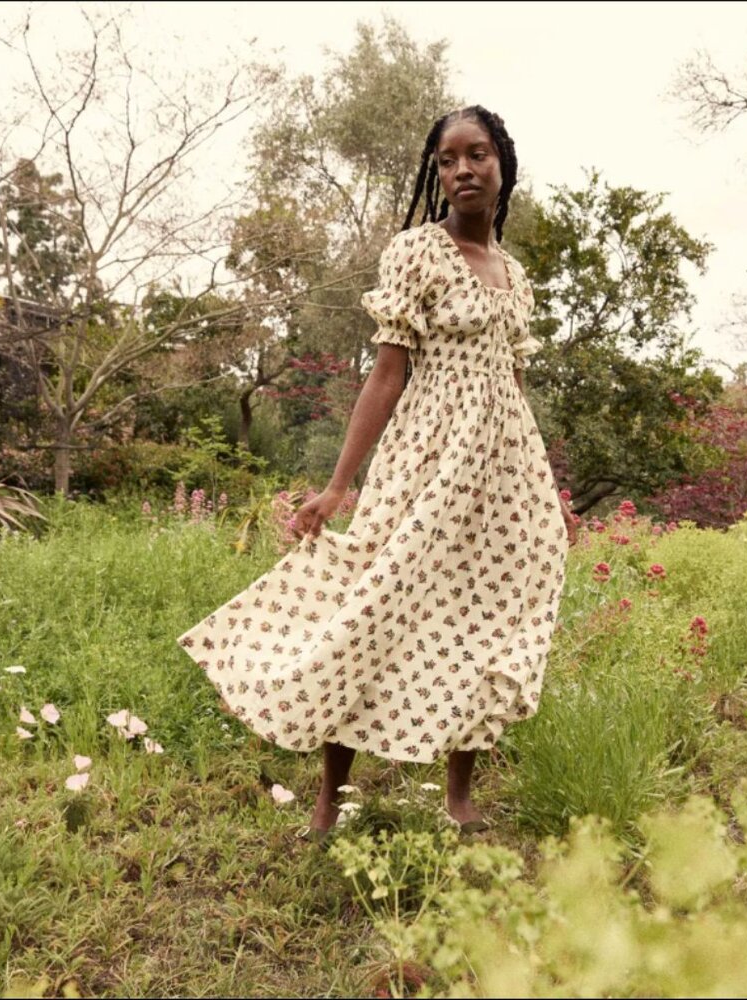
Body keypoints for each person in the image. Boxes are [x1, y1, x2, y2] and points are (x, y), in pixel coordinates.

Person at [177, 105, 577, 842]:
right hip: (425, 460)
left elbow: (511, 386)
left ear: (502, 165)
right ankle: (332, 794)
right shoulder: (416, 253)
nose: (462, 169)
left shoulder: (516, 277)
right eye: (448, 159)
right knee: (373, 605)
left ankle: (459, 794)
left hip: (503, 476)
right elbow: (386, 375)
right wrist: (339, 484)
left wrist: (542, 488)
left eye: (477, 154)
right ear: (437, 173)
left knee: (487, 620)